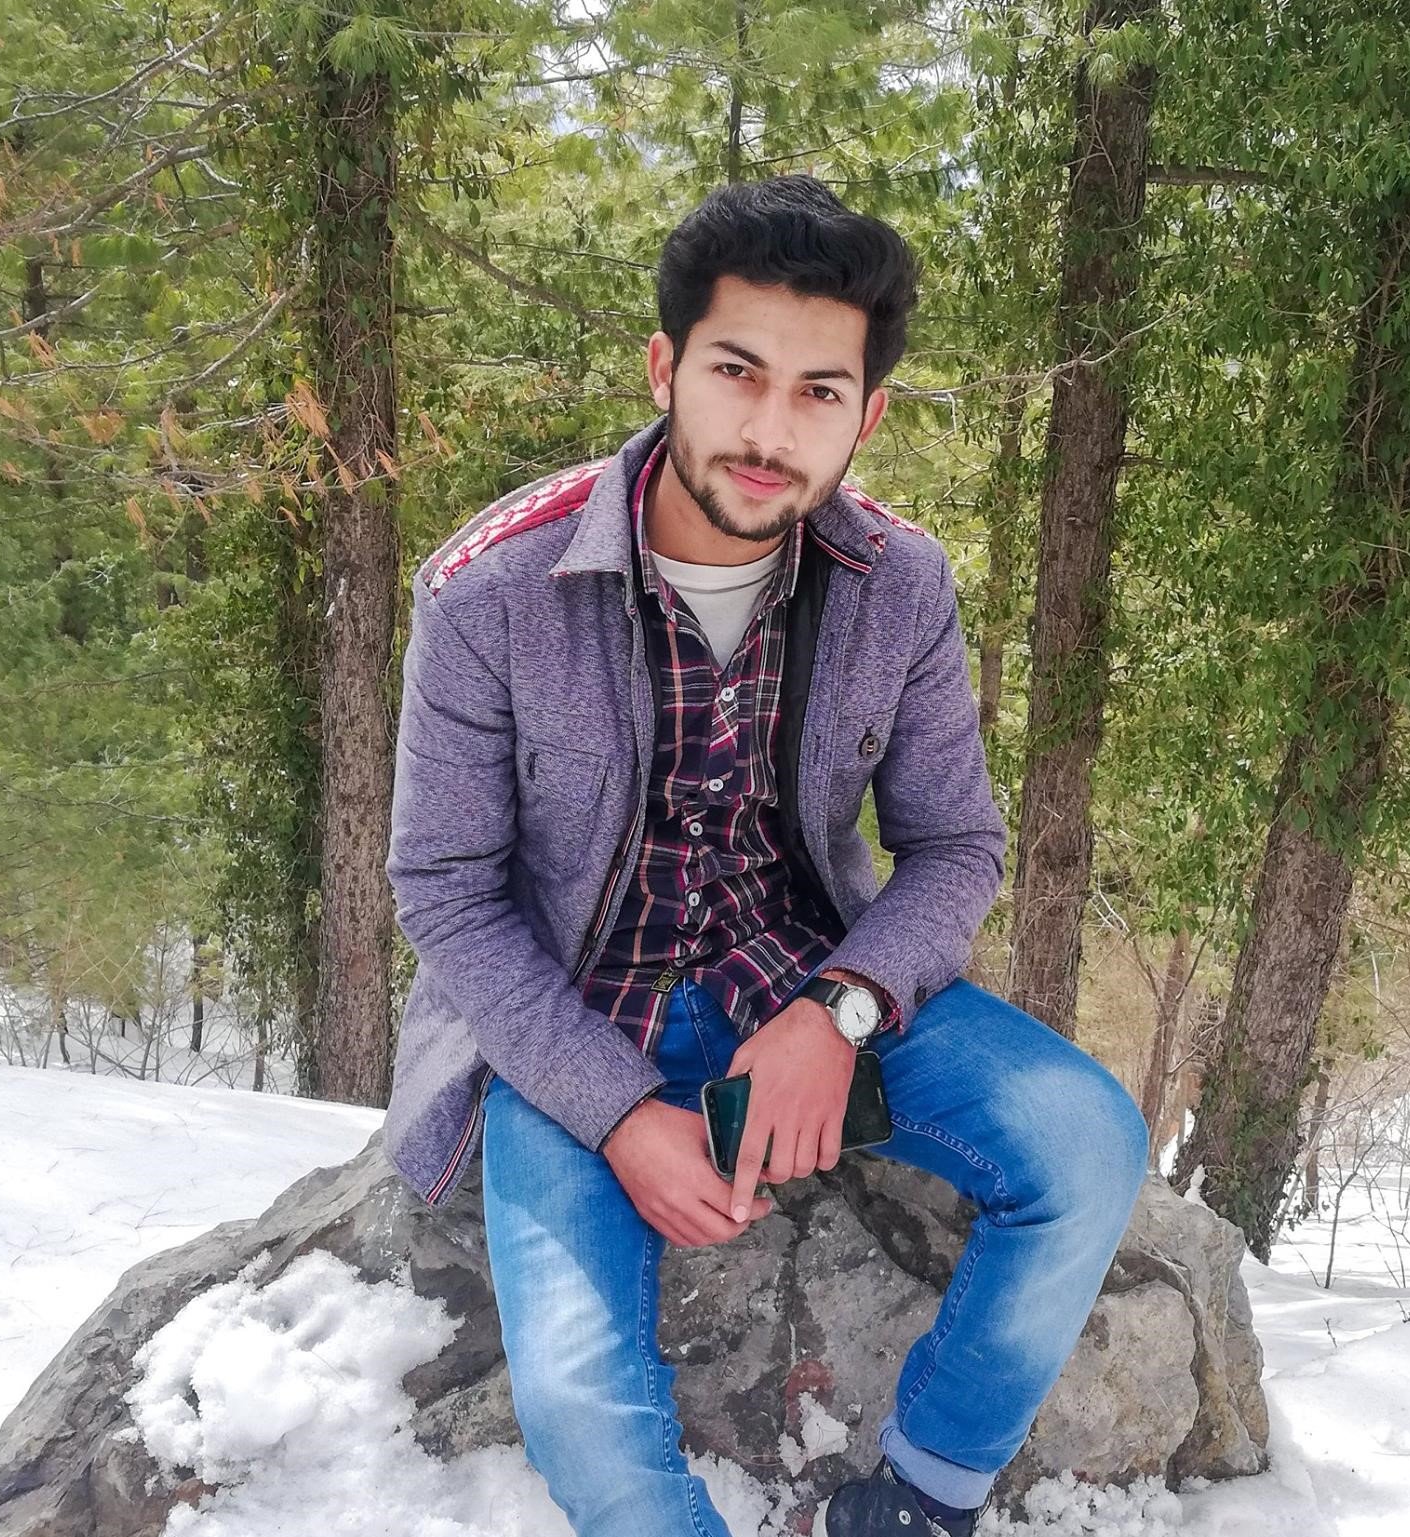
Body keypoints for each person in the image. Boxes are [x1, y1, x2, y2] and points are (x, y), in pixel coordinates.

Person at [382, 174, 1150, 1537]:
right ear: (665, 368)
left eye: (817, 392)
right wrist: (616, 1112)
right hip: (568, 1014)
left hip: (797, 969)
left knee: (1088, 1140)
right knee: (582, 1412)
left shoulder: (897, 582)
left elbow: (953, 845)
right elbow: (444, 890)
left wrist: (837, 1012)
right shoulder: (490, 589)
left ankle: (919, 1500)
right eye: (736, 372)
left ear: (867, 415)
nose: (769, 429)